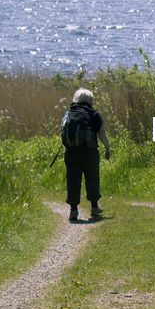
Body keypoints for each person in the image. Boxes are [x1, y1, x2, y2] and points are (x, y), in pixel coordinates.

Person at [62, 88, 110, 222]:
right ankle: (94, 208)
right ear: (89, 100)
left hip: (71, 152)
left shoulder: (68, 114)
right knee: (92, 179)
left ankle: (73, 210)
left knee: (73, 180)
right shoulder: (94, 114)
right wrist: (107, 147)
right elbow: (101, 133)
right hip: (90, 152)